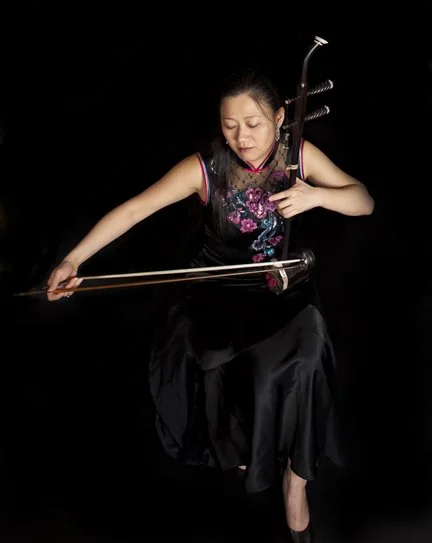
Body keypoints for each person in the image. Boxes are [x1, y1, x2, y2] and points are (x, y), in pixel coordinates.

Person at [46, 69, 374, 542]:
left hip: (282, 289)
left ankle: (296, 482)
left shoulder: (299, 154)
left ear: (280, 118)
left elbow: (364, 201)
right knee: (216, 358)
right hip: (219, 292)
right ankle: (247, 448)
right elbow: (136, 209)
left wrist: (317, 196)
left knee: (309, 354)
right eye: (229, 125)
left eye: (253, 124)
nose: (242, 137)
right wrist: (73, 259)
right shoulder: (203, 168)